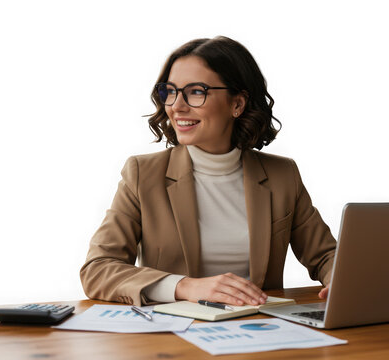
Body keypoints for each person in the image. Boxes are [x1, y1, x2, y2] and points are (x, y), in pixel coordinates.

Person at [80, 36, 336, 307]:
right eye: (171, 90)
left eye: (196, 91)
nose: (177, 106)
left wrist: (337, 280)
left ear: (237, 104)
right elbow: (98, 269)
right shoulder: (143, 174)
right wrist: (184, 286)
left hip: (262, 328)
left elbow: (326, 255)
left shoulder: (282, 175)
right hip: (174, 335)